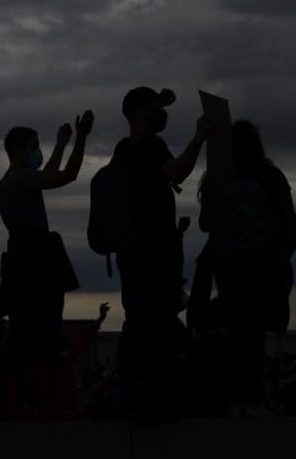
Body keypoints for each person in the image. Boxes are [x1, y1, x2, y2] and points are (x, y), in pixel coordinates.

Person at [112, 86, 209, 419]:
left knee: (138, 326)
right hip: (154, 261)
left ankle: (136, 402)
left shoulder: (122, 149)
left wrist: (161, 100)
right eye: (154, 107)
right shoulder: (151, 145)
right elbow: (176, 172)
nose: (160, 112)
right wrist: (199, 137)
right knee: (160, 331)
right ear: (142, 111)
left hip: (130, 259)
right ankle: (158, 405)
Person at [0, 110, 92, 417]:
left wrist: (62, 144)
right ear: (20, 150)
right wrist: (81, 140)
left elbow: (45, 174)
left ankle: (24, 404)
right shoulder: (19, 180)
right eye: (34, 146)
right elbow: (65, 176)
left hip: (27, 261)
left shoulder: (12, 182)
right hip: (34, 263)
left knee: (26, 336)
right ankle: (46, 404)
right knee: (42, 336)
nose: (38, 152)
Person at [199, 120, 295, 416]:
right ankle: (251, 397)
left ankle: (233, 398)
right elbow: (287, 219)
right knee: (255, 331)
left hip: (228, 267)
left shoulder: (217, 177)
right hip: (262, 265)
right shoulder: (271, 177)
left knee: (234, 329)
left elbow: (205, 223)